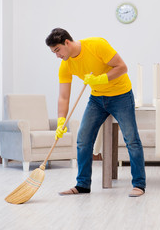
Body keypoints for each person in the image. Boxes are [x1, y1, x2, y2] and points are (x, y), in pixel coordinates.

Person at [45, 28, 146, 197]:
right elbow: (63, 97)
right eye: (53, 52)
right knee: (83, 140)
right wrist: (61, 120)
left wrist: (101, 78)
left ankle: (139, 185)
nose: (57, 55)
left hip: (120, 95)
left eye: (57, 50)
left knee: (131, 139)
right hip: (97, 99)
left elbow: (122, 67)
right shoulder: (66, 65)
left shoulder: (96, 45)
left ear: (67, 43)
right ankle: (82, 185)